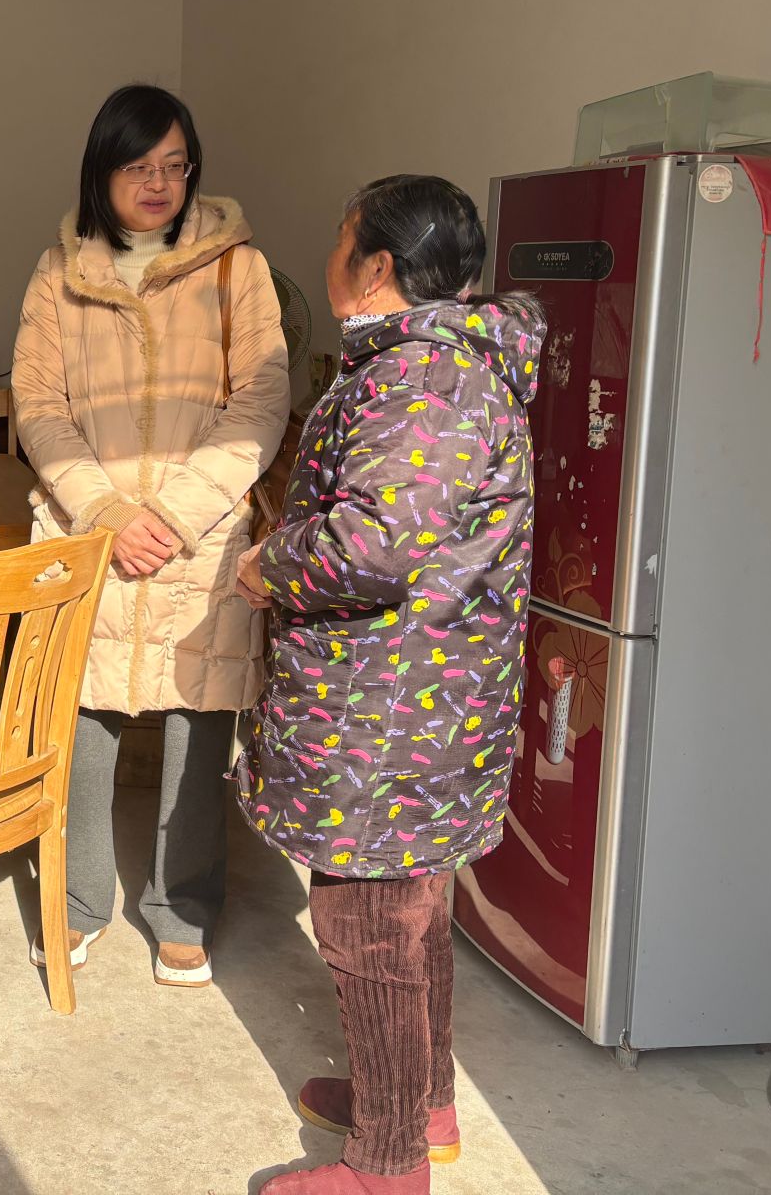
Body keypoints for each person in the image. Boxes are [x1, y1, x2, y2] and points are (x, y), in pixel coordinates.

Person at [233, 175, 545, 1195]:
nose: (328, 258)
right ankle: (416, 1102)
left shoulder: (422, 378)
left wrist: (269, 565)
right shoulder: (440, 366)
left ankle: (386, 1165)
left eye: (340, 241)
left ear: (375, 266)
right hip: (419, 698)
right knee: (409, 910)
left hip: (389, 710)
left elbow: (371, 544)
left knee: (368, 924)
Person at [12, 83, 290, 987]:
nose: (159, 183)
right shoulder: (58, 273)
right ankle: (78, 897)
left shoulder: (235, 267)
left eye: (175, 165)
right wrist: (104, 511)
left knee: (196, 720)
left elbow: (262, 399)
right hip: (88, 525)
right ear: (102, 172)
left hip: (196, 532)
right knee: (81, 717)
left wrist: (172, 515)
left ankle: (182, 907)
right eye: (138, 166)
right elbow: (38, 405)